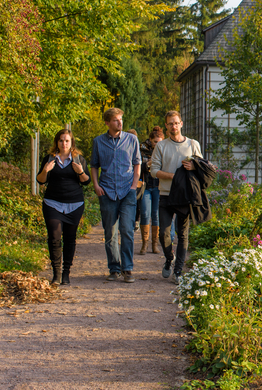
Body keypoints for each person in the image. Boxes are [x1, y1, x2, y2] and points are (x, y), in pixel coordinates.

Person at [150, 111, 202, 284]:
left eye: (176, 123)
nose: (173, 126)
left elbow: (202, 168)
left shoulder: (193, 144)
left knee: (183, 234)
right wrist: (174, 176)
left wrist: (193, 165)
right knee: (164, 233)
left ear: (181, 123)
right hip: (165, 194)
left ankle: (178, 271)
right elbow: (153, 171)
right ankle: (169, 258)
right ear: (166, 126)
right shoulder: (161, 146)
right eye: (170, 124)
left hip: (185, 196)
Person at [90, 108, 142, 283]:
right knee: (110, 232)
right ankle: (114, 268)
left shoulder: (132, 139)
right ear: (107, 122)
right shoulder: (98, 142)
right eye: (115, 120)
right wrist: (96, 185)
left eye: (120, 119)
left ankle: (127, 268)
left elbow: (137, 163)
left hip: (127, 190)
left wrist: (134, 186)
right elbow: (94, 165)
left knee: (127, 230)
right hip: (106, 191)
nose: (119, 122)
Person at [36, 129, 91, 286]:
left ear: (72, 142)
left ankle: (66, 272)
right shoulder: (50, 159)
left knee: (69, 238)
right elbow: (40, 180)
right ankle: (56, 274)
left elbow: (86, 182)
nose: (64, 143)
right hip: (52, 203)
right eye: (61, 140)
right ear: (57, 142)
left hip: (74, 204)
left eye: (67, 141)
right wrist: (45, 170)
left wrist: (80, 172)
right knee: (54, 237)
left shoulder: (78, 159)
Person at [138, 126, 165, 255]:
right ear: (150, 140)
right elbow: (136, 167)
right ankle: (144, 244)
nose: (157, 145)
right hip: (146, 187)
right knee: (145, 214)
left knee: (156, 215)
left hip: (159, 187)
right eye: (155, 142)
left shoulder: (165, 150)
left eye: (160, 142)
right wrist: (146, 165)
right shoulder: (142, 149)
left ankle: (155, 245)